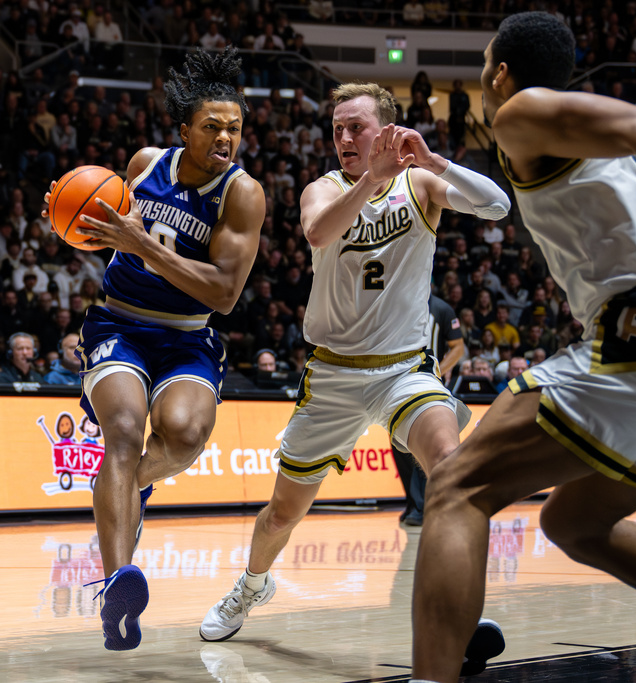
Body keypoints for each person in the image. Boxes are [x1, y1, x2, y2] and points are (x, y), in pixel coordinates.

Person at [198, 81, 510, 676]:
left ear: (387, 131)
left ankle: (459, 615)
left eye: (357, 127)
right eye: (337, 128)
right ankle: (251, 584)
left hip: (403, 371)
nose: (343, 137)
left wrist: (433, 158)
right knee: (282, 515)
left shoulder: (420, 185)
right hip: (333, 377)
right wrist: (371, 177)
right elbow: (318, 233)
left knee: (452, 467)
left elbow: (497, 206)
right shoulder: (324, 188)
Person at [412, 13, 636, 681]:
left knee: (457, 486)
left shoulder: (520, 111)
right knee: (575, 520)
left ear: (499, 73)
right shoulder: (586, 139)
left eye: (485, 68)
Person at [45, 47, 264, 651]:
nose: (226, 138)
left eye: (236, 128)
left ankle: (131, 487)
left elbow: (222, 293)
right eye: (213, 127)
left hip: (190, 334)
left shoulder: (242, 194)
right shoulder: (146, 164)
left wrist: (144, 246)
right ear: (185, 128)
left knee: (186, 438)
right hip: (120, 322)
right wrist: (76, 223)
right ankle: (118, 582)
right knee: (121, 428)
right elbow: (108, 230)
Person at [392, 293, 466, 527]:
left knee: (423, 443)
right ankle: (414, 503)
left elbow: (458, 347)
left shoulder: (441, 308)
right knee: (398, 444)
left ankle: (423, 506)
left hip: (425, 383)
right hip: (396, 381)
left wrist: (438, 370)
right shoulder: (397, 301)